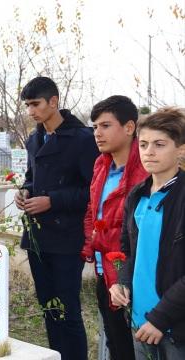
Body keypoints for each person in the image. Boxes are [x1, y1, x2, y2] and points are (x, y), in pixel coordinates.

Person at [14, 76, 99, 360]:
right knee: (48, 306)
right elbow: (30, 177)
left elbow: (93, 191)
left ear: (54, 102)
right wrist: (24, 192)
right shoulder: (35, 138)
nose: (30, 111)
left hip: (67, 238)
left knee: (67, 309)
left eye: (35, 104)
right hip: (38, 237)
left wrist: (53, 201)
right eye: (27, 105)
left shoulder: (83, 140)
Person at [109, 107, 185, 360]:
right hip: (140, 320)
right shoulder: (137, 195)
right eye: (143, 144)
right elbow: (129, 252)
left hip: (174, 326)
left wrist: (160, 318)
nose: (149, 151)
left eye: (159, 144)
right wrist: (122, 282)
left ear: (181, 150)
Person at [80, 95, 146, 360]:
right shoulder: (101, 164)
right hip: (102, 270)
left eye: (105, 126)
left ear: (129, 127)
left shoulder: (145, 170)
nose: (97, 133)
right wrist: (90, 245)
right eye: (95, 126)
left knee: (138, 348)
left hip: (131, 275)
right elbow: (91, 209)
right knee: (116, 344)